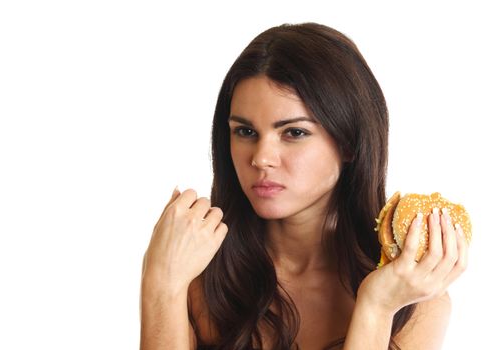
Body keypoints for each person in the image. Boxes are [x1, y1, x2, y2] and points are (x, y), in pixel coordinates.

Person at [140, 22, 468, 350]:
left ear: (350, 141)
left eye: (294, 132)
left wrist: (376, 308)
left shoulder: (414, 301)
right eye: (245, 132)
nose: (261, 159)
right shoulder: (196, 276)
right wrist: (159, 283)